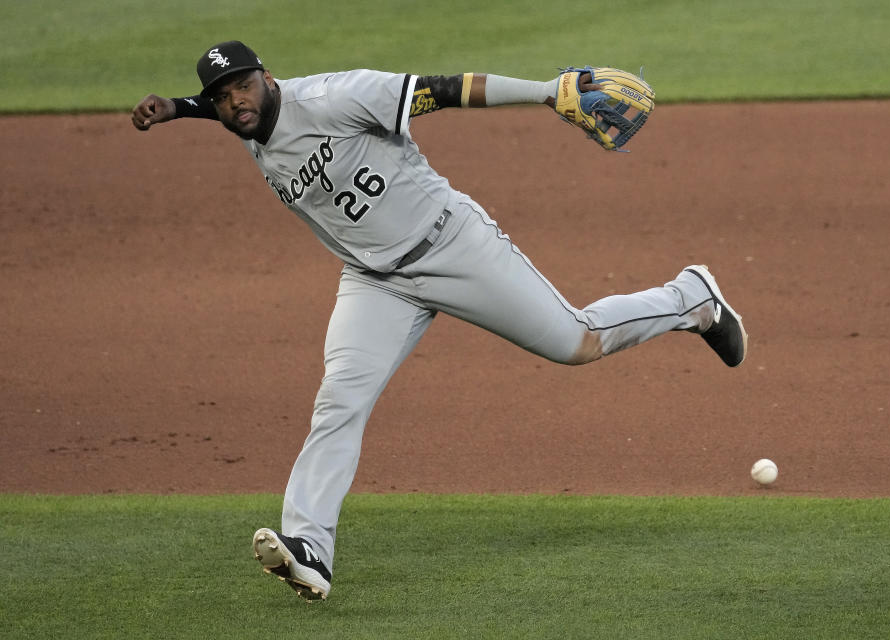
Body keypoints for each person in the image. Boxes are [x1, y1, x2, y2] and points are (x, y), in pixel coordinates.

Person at [131, 40, 747, 601]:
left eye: (242, 85)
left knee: (576, 342)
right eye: (222, 94)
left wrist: (544, 92)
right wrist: (179, 107)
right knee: (339, 401)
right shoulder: (245, 121)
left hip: (452, 244)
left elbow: (448, 89)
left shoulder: (337, 96)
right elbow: (228, 109)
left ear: (267, 77)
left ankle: (689, 298)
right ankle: (309, 546)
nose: (234, 101)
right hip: (375, 281)